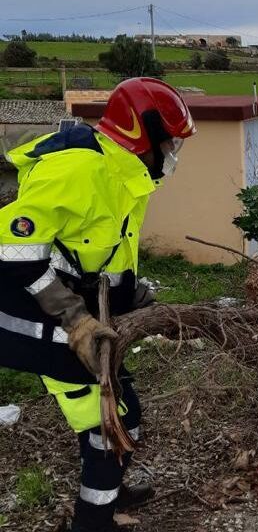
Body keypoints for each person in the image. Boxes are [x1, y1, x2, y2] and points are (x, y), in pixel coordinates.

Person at [0, 77, 196, 532]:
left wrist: (136, 296)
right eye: (168, 144)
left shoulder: (127, 177)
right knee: (108, 423)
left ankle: (110, 485)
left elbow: (103, 254)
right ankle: (93, 521)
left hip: (60, 304)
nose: (171, 156)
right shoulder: (78, 170)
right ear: (141, 133)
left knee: (128, 411)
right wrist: (75, 319)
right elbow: (11, 248)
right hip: (21, 310)